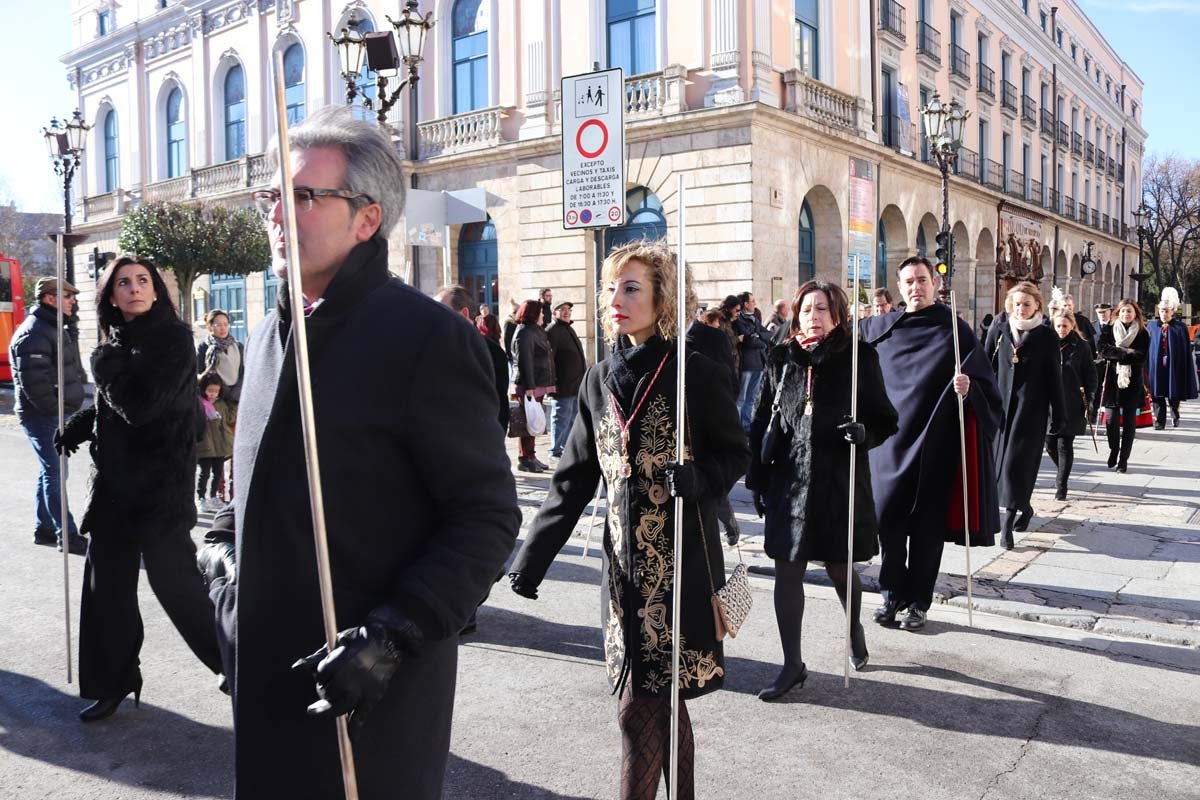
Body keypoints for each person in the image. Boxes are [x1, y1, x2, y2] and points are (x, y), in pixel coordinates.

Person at [197, 107, 520, 799]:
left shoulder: (428, 339)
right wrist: (223, 556)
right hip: (264, 689)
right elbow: (251, 489)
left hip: (370, 700)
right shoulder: (266, 335)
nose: (277, 214)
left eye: (303, 197)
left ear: (366, 219)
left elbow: (486, 518)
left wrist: (394, 634)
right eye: (271, 198)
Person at [508, 240, 749, 800]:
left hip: (682, 569)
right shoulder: (597, 378)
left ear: (662, 297)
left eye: (632, 287)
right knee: (657, 708)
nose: (615, 299)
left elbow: (736, 453)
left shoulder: (695, 371)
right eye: (611, 288)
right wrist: (530, 560)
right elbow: (573, 479)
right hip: (622, 578)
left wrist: (699, 478)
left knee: (638, 713)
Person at [53, 256, 224, 721]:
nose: (134, 288)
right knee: (105, 589)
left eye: (142, 281)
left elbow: (142, 405)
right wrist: (84, 421)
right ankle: (114, 680)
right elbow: (116, 409)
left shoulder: (171, 338)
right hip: (114, 489)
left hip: (158, 488)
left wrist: (104, 370)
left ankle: (242, 668)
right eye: (123, 283)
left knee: (178, 586)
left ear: (156, 290)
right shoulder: (117, 340)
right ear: (110, 296)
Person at [746, 281, 898, 700]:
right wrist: (756, 478)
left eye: (823, 309)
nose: (813, 316)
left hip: (838, 478)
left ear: (838, 315)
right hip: (789, 480)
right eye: (807, 308)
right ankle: (792, 664)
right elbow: (760, 421)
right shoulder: (780, 357)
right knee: (786, 569)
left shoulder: (858, 358)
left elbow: (886, 418)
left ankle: (853, 629)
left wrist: (863, 433)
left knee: (837, 566)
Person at [862, 256, 1003, 631]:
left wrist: (969, 388)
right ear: (898, 284)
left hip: (936, 444)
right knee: (888, 521)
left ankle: (919, 602)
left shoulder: (955, 330)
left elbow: (988, 388)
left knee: (927, 530)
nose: (915, 287)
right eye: (908, 281)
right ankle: (891, 594)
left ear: (934, 284)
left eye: (922, 280)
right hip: (888, 445)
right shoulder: (878, 328)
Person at [9, 276, 87, 554]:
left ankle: (43, 529)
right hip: (42, 416)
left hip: (52, 414)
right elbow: (35, 386)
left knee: (53, 472)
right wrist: (57, 413)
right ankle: (66, 535)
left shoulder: (51, 327)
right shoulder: (35, 332)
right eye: (67, 296)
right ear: (50, 298)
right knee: (56, 473)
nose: (73, 301)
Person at [985, 283, 1066, 549]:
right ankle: (1024, 507)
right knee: (1000, 466)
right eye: (1017, 303)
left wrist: (1059, 415)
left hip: (1031, 411)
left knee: (1015, 467)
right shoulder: (999, 330)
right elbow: (985, 366)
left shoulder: (1046, 336)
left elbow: (1055, 378)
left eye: (1027, 304)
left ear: (1037, 306)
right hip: (1001, 410)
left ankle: (1006, 524)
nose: (1021, 308)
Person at [686, 307, 742, 544]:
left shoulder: (711, 337)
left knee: (707, 469)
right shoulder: (666, 339)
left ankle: (723, 517)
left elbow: (728, 374)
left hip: (706, 415)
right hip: (681, 416)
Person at [437, 285, 509, 431]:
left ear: (464, 313)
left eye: (441, 313)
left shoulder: (491, 352)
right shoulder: (435, 348)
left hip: (476, 441)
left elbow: (499, 405)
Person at [1045, 311, 1098, 501]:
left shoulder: (1081, 346)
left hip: (1072, 402)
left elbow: (1091, 375)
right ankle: (1063, 470)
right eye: (1058, 326)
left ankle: (1061, 486)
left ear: (1072, 326)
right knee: (1050, 443)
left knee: (1064, 444)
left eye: (1065, 326)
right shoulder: (1046, 345)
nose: (1061, 330)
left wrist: (1091, 398)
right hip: (1048, 403)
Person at [1097, 299, 1150, 473]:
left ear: (1135, 314)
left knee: (1129, 423)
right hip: (1113, 380)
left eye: (1129, 311)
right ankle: (1114, 449)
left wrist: (1117, 353)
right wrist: (1127, 352)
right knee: (1111, 421)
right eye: (1123, 311)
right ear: (1117, 313)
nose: (1126, 314)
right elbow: (1103, 350)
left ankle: (1123, 460)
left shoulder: (1142, 333)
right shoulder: (1109, 329)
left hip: (1133, 382)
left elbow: (1140, 357)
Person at [511, 299, 556, 472]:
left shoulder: (535, 331)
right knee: (527, 421)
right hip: (529, 384)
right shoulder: (525, 332)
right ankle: (525, 458)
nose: (543, 315)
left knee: (534, 419)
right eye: (541, 312)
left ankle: (531, 455)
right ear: (533, 313)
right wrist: (529, 386)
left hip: (537, 382)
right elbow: (525, 361)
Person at [1146, 288, 1199, 428]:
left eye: (1167, 310)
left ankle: (1175, 413)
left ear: (1172, 311)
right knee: (1157, 393)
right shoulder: (1151, 326)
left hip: (1173, 365)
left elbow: (1184, 349)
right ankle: (1160, 421)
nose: (1164, 313)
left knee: (1173, 392)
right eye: (1162, 310)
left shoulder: (1180, 327)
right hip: (1156, 365)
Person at [545, 300, 586, 458]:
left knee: (572, 420)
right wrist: (552, 383)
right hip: (562, 385)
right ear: (554, 312)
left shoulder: (569, 329)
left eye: (568, 309)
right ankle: (555, 450)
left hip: (575, 384)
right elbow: (549, 360)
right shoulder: (552, 331)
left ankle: (567, 448)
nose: (566, 312)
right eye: (562, 309)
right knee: (560, 419)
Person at [734, 291, 772, 431]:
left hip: (759, 363)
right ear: (745, 304)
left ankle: (746, 426)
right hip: (747, 364)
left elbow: (769, 335)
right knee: (741, 398)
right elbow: (749, 341)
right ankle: (737, 427)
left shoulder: (754, 318)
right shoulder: (739, 320)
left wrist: (758, 336)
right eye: (752, 301)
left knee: (751, 399)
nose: (755, 304)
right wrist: (759, 341)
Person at [196, 373, 234, 512]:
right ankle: (201, 498)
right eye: (210, 390)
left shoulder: (221, 403)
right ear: (203, 389)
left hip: (219, 444)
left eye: (216, 391)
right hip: (204, 444)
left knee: (217, 472)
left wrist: (233, 402)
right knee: (204, 473)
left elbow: (230, 417)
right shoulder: (198, 403)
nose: (213, 394)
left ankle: (213, 496)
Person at [196, 308, 245, 403]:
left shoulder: (238, 346)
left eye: (226, 324)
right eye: (218, 325)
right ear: (209, 327)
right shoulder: (204, 347)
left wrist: (235, 393)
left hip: (237, 397)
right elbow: (200, 373)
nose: (223, 328)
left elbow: (244, 372)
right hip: (215, 398)